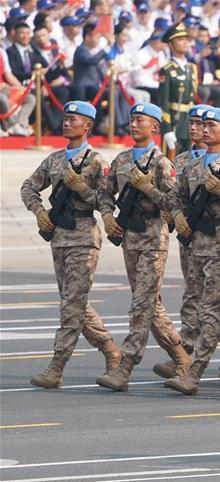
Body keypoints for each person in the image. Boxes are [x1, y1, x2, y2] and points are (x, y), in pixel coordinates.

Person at [20, 101, 121, 389]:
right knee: (74, 302)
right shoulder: (53, 159)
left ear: (87, 126)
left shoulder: (97, 162)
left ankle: (57, 366)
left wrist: (80, 188)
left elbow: (105, 201)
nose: (66, 123)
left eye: (73, 119)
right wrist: (39, 211)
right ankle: (111, 349)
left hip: (84, 237)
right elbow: (28, 186)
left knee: (71, 306)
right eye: (65, 118)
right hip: (59, 235)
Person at [95, 103, 189, 391]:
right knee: (149, 303)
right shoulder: (122, 159)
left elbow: (174, 203)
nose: (134, 124)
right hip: (130, 236)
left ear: (155, 128)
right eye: (132, 119)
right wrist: (108, 215)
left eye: (140, 120)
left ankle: (125, 365)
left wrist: (148, 188)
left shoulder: (162, 163)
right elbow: (104, 191)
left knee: (141, 304)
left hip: (153, 237)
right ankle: (182, 357)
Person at [164, 107, 220, 395]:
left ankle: (193, 372)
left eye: (212, 126)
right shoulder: (192, 165)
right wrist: (177, 216)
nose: (204, 130)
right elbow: (175, 196)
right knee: (201, 303)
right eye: (203, 126)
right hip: (196, 242)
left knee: (211, 309)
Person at [157, 23, 195, 156]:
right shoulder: (167, 70)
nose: (185, 42)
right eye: (179, 39)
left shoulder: (191, 68)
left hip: (188, 123)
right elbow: (163, 102)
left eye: (186, 39)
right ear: (171, 45)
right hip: (175, 121)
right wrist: (166, 129)